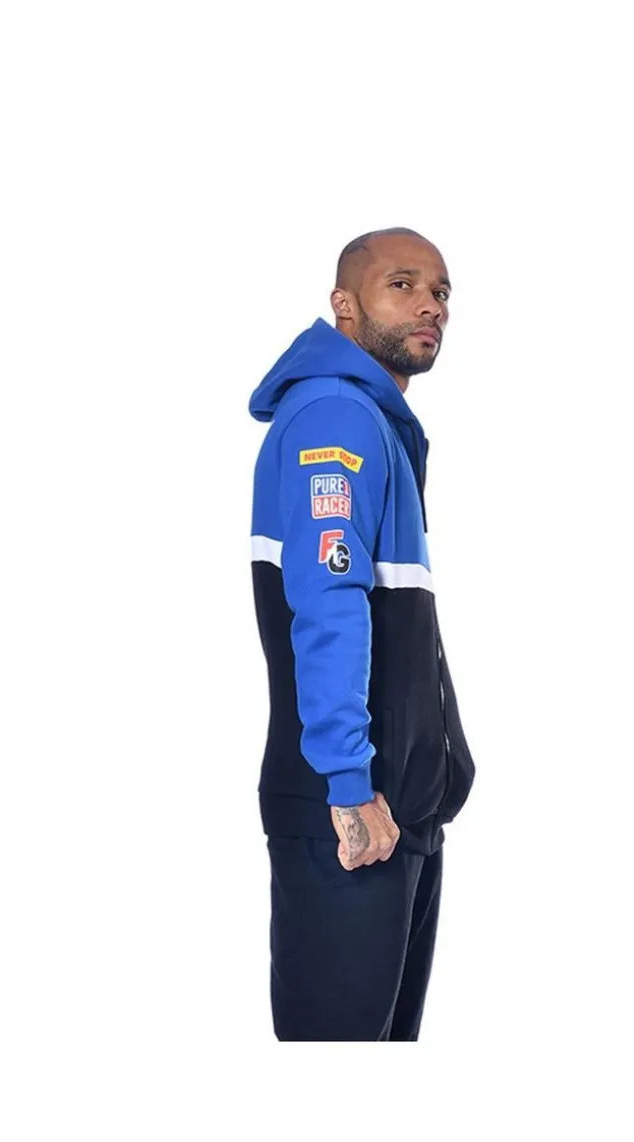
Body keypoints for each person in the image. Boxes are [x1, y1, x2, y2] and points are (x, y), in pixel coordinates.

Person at [247, 227, 477, 1041]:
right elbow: (329, 602)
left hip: (398, 813)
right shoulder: (335, 416)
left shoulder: (375, 423)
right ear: (344, 305)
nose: (429, 305)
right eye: (402, 285)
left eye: (440, 292)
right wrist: (348, 784)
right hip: (352, 814)